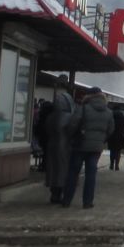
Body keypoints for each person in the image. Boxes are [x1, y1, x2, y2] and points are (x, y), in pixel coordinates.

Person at [61, 86, 114, 209]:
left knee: (73, 173)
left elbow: (73, 124)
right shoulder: (108, 112)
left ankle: (66, 200)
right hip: (96, 148)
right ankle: (87, 202)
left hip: (80, 145)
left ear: (88, 96)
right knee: (91, 174)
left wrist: (70, 137)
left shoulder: (83, 108)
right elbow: (111, 129)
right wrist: (101, 139)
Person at [44, 76, 74, 204]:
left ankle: (54, 193)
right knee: (64, 170)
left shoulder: (51, 116)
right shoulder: (70, 117)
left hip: (53, 146)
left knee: (53, 169)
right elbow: (73, 130)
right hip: (66, 147)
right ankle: (60, 193)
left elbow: (46, 129)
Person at [106, 103, 124, 170]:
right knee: (118, 151)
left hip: (111, 136)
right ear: (120, 110)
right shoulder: (123, 117)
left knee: (112, 151)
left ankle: (111, 165)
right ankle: (117, 166)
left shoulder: (110, 117)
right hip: (120, 136)